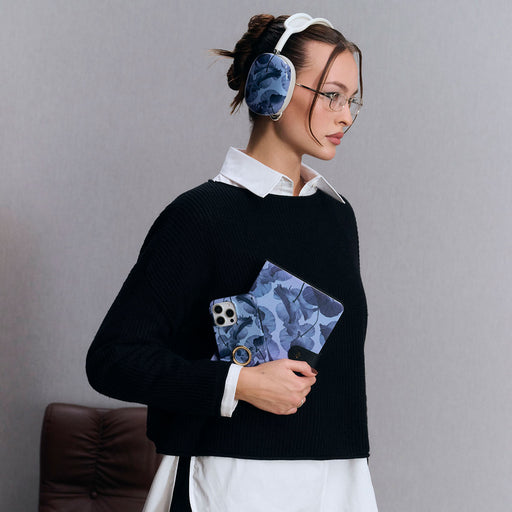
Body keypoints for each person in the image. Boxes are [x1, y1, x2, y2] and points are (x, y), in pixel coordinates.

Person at [86, 12, 378, 512]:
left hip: (339, 482)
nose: (345, 116)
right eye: (331, 95)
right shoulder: (199, 216)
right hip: (230, 483)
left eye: (352, 101)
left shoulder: (337, 216)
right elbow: (113, 360)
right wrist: (238, 383)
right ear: (272, 87)